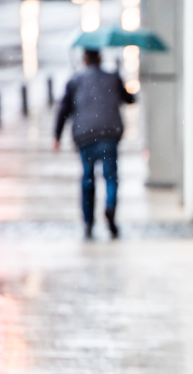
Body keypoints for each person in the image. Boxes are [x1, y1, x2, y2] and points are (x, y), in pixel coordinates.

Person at [54, 49, 135, 239]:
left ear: (84, 60)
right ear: (100, 59)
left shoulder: (75, 81)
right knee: (110, 176)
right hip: (109, 134)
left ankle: (88, 223)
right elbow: (130, 99)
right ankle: (110, 206)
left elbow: (63, 109)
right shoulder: (112, 78)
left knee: (87, 179)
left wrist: (56, 136)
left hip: (85, 136)